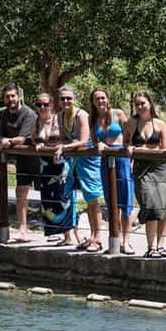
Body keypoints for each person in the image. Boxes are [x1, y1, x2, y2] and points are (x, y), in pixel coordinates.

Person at [125, 92, 166, 258]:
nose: (140, 107)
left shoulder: (160, 124)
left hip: (161, 169)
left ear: (150, 104)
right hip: (141, 169)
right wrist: (130, 148)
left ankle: (161, 246)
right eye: (137, 104)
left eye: (143, 103)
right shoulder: (131, 123)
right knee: (150, 205)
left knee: (162, 208)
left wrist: (143, 149)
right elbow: (125, 143)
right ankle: (151, 247)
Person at [56, 86, 104, 252]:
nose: (66, 101)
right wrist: (65, 145)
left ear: (74, 99)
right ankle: (87, 236)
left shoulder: (82, 115)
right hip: (74, 158)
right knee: (75, 197)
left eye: (69, 98)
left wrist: (64, 147)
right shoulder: (60, 116)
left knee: (92, 198)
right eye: (63, 98)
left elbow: (84, 140)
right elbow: (63, 138)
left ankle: (97, 237)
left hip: (89, 159)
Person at [90, 88, 136, 254]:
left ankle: (126, 241)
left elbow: (130, 134)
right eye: (97, 99)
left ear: (108, 99)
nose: (100, 101)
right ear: (93, 102)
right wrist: (99, 144)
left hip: (122, 159)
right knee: (111, 202)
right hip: (105, 161)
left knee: (126, 201)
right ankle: (115, 240)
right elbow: (94, 140)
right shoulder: (93, 119)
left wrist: (130, 153)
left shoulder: (118, 114)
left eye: (103, 98)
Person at [31, 92, 76, 246]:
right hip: (45, 165)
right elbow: (33, 140)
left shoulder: (59, 120)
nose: (42, 107)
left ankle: (69, 235)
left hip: (61, 163)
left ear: (51, 105)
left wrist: (60, 146)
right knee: (48, 199)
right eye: (39, 105)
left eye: (45, 104)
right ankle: (57, 233)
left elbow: (68, 138)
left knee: (64, 197)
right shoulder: (35, 123)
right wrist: (37, 144)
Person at [0, 83, 38, 243]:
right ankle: (22, 231)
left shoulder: (29, 114)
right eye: (7, 97)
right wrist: (5, 140)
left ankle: (59, 232)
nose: (10, 99)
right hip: (22, 160)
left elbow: (22, 138)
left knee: (50, 195)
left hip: (38, 159)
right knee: (21, 193)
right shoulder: (5, 115)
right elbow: (1, 136)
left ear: (19, 96)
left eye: (13, 96)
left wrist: (8, 141)